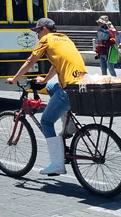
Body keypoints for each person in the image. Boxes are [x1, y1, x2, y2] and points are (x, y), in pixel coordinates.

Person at [7, 17, 87, 176]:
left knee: (46, 121)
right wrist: (44, 80)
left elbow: (30, 61)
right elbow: (57, 63)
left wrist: (15, 78)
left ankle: (57, 164)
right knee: (50, 86)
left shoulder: (46, 39)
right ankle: (68, 123)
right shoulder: (64, 38)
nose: (37, 35)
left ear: (43, 29)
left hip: (69, 89)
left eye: (37, 31)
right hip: (83, 84)